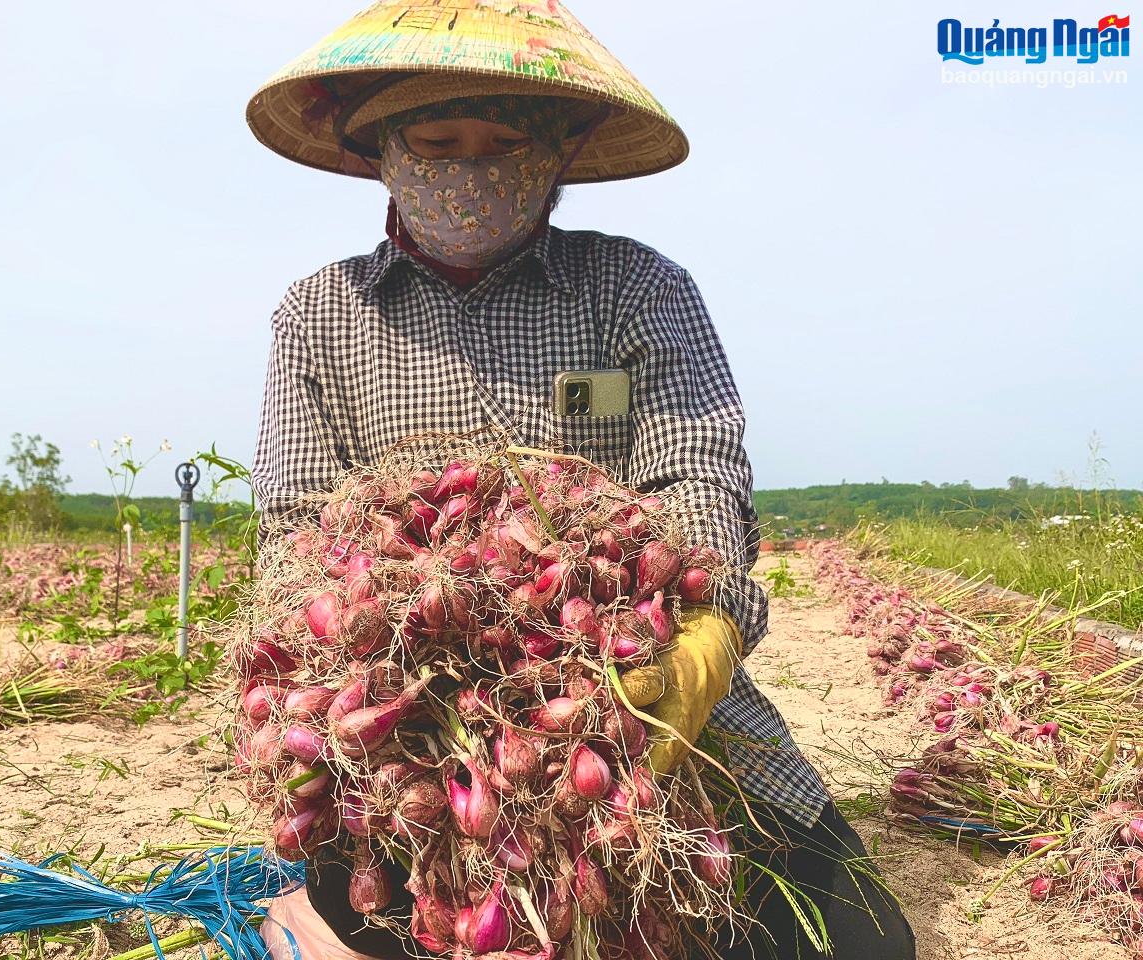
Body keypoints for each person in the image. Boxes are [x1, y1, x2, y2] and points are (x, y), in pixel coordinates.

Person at [246, 3, 916, 958]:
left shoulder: (638, 287)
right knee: (418, 918)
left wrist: (699, 647)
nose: (471, 172)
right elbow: (294, 529)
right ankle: (311, 906)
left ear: (557, 153)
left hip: (634, 678)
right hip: (416, 726)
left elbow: (697, 476)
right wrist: (382, 677)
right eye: (437, 143)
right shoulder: (321, 314)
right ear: (383, 151)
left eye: (504, 144)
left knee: (861, 945)